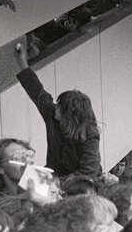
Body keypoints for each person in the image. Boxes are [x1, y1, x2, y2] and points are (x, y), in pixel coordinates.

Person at [14, 47, 102, 179]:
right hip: (56, 177)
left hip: (81, 185)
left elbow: (87, 173)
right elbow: (36, 90)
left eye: (59, 106)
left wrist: (53, 181)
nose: (55, 107)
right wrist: (21, 61)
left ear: (68, 115)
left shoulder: (90, 134)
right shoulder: (52, 115)